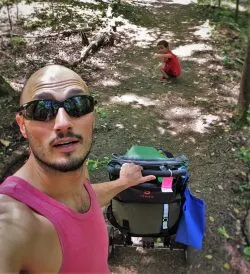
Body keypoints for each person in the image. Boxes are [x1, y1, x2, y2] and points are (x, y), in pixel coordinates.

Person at [0, 65, 155, 273]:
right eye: (41, 109)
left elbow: (82, 201)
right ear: (22, 125)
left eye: (78, 104)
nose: (63, 123)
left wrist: (124, 182)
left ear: (92, 115)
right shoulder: (15, 222)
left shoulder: (76, 173)